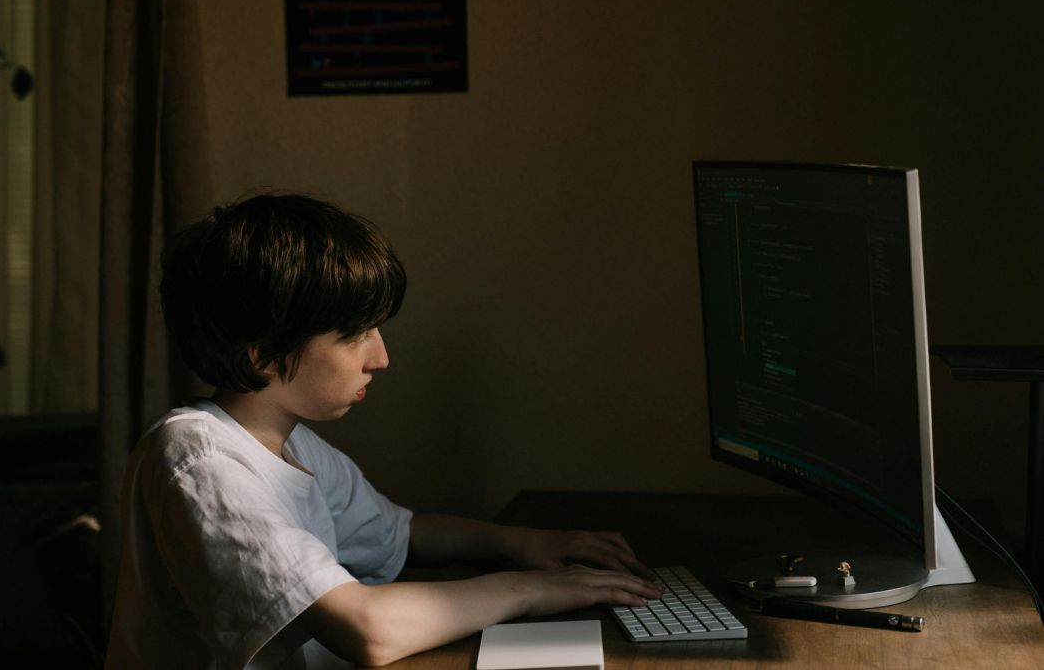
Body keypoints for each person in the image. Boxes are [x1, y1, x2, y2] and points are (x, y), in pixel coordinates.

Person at [104, 194, 662, 669]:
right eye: (355, 335)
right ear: (264, 355)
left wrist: (522, 542)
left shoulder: (287, 442)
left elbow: (402, 533)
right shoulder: (199, 460)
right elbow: (369, 631)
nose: (381, 357)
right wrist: (535, 590)